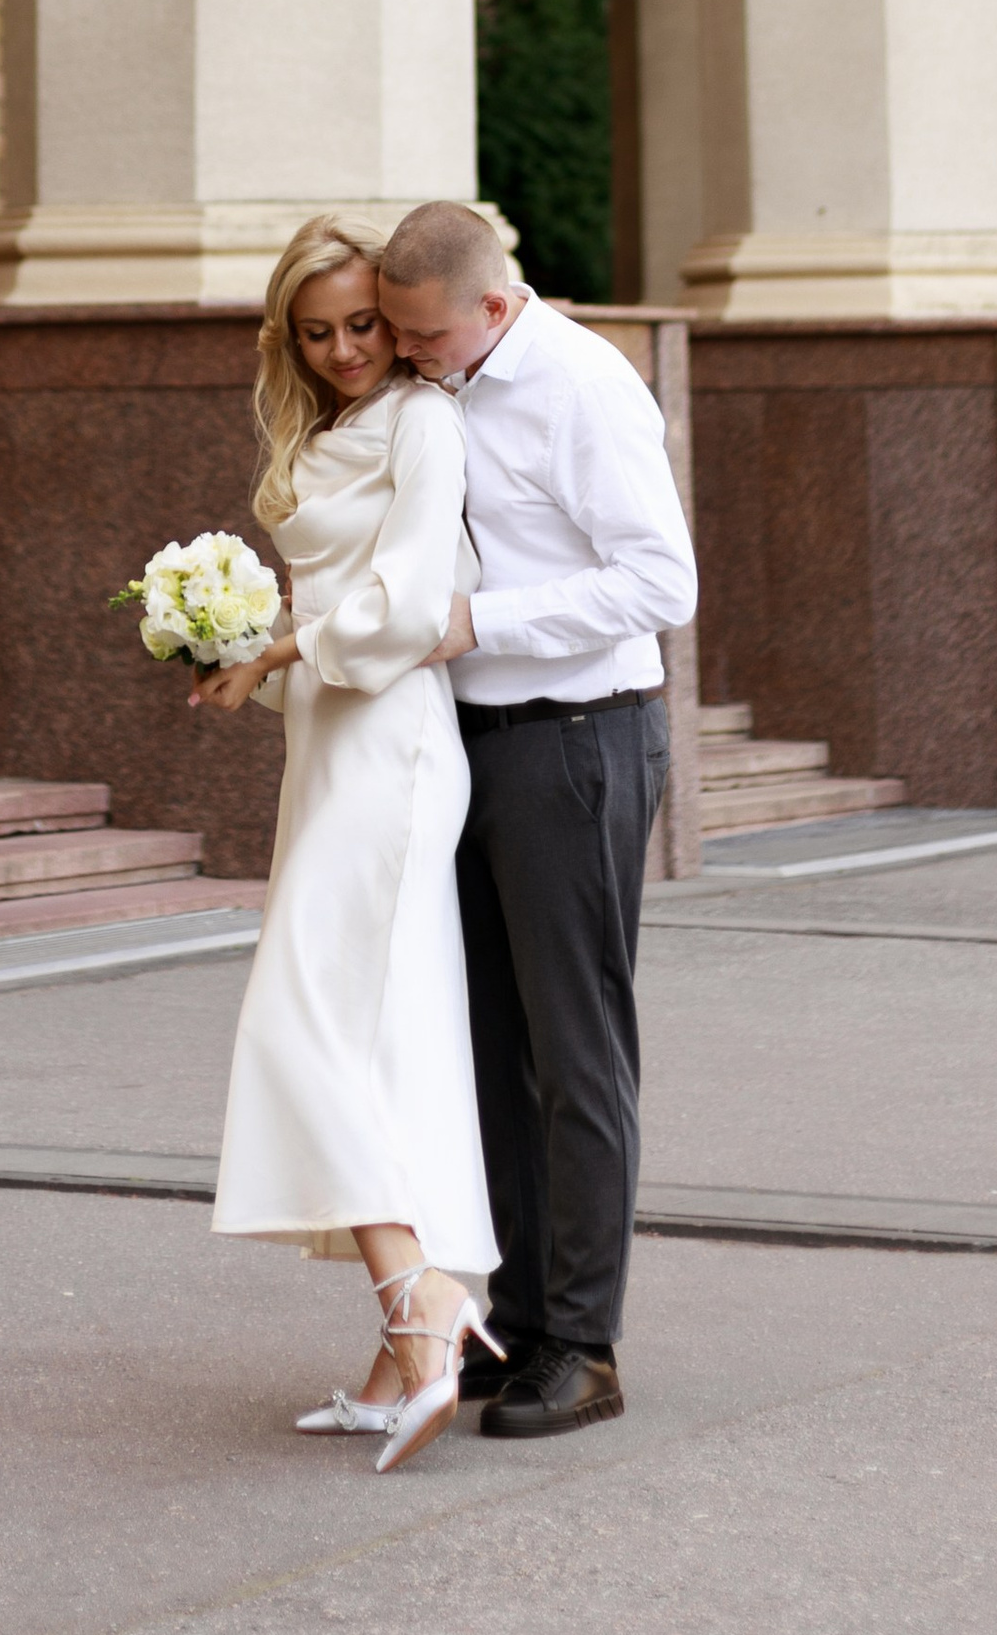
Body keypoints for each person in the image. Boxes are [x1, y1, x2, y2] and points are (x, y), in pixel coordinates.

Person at [377, 199, 699, 1443]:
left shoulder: (582, 385)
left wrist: (482, 624)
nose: (406, 353)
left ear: (496, 305)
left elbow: (662, 582)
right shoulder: (437, 387)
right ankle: (517, 1325)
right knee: (491, 1053)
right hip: (471, 746)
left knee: (576, 1050)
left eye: (424, 333)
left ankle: (585, 1344)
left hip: (578, 740)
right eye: (397, 333)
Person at [196, 210, 503, 1471]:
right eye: (316, 333)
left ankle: (421, 1300)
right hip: (326, 749)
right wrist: (232, 648)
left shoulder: (425, 421)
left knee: (299, 1021)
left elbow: (412, 604)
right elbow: (324, 613)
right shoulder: (319, 435)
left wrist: (280, 646)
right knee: (385, 1045)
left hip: (395, 750)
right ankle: (398, 1365)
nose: (344, 351)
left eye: (364, 325)